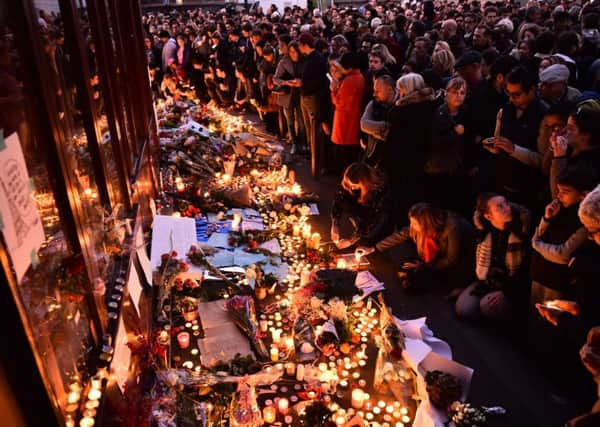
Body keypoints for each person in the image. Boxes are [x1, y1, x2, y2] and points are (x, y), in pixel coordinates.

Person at [358, 202, 476, 290]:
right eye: (411, 222)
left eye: (414, 223)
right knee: (404, 267)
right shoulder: (422, 227)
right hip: (430, 261)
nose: (412, 226)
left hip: (454, 268)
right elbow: (401, 235)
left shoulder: (452, 229)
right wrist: (374, 248)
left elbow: (451, 260)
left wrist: (424, 266)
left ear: (426, 223)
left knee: (412, 283)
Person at [456, 193, 531, 319]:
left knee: (487, 306)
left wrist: (506, 292)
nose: (507, 208)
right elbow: (473, 261)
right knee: (463, 309)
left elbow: (524, 270)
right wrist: (465, 285)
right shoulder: (484, 233)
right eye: (500, 207)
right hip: (487, 281)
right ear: (488, 216)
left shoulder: (520, 233)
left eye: (506, 203)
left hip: (509, 285)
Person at [530, 166, 596, 305]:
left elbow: (563, 254)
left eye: (565, 192)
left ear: (583, 195)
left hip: (557, 282)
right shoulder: (559, 208)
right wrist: (547, 219)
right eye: (559, 191)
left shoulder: (585, 221)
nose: (559, 196)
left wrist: (537, 244)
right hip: (538, 273)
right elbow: (541, 233)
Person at [485, 66, 547, 210]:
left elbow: (543, 162)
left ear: (532, 91)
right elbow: (498, 137)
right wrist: (495, 147)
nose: (512, 99)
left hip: (528, 188)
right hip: (502, 182)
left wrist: (513, 149)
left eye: (517, 95)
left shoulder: (544, 116)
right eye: (509, 93)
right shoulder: (506, 109)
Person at [381, 73, 438, 226]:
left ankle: (402, 228)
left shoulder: (403, 111)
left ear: (408, 90)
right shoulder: (431, 107)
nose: (399, 93)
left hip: (403, 161)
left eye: (401, 90)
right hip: (420, 160)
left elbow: (395, 140)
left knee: (402, 198)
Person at [426, 77, 468, 214]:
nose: (459, 96)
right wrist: (454, 133)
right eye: (455, 92)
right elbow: (434, 141)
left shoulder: (465, 112)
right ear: (447, 93)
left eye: (462, 93)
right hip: (441, 168)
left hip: (459, 167)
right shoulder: (439, 113)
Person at [330, 162, 394, 249]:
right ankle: (359, 229)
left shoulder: (378, 190)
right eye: (349, 184)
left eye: (354, 186)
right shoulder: (349, 181)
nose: (351, 188)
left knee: (366, 242)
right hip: (362, 208)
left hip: (377, 216)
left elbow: (373, 220)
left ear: (365, 183)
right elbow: (338, 200)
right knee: (346, 201)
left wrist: (351, 240)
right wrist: (335, 224)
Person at [550, 106, 600, 198]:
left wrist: (559, 157)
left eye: (570, 128)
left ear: (585, 135)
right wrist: (553, 147)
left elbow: (558, 195)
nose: (564, 131)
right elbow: (544, 170)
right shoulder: (569, 148)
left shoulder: (590, 165)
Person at [330, 52, 366, 173]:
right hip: (352, 120)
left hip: (345, 122)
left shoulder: (350, 80)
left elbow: (340, 103)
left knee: (344, 158)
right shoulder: (359, 77)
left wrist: (333, 91)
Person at [360, 75, 397, 167]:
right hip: (372, 154)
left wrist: (374, 131)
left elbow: (394, 134)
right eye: (374, 90)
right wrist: (385, 126)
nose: (374, 94)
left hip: (392, 158)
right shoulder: (374, 103)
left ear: (389, 89)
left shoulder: (401, 105)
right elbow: (363, 124)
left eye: (377, 91)